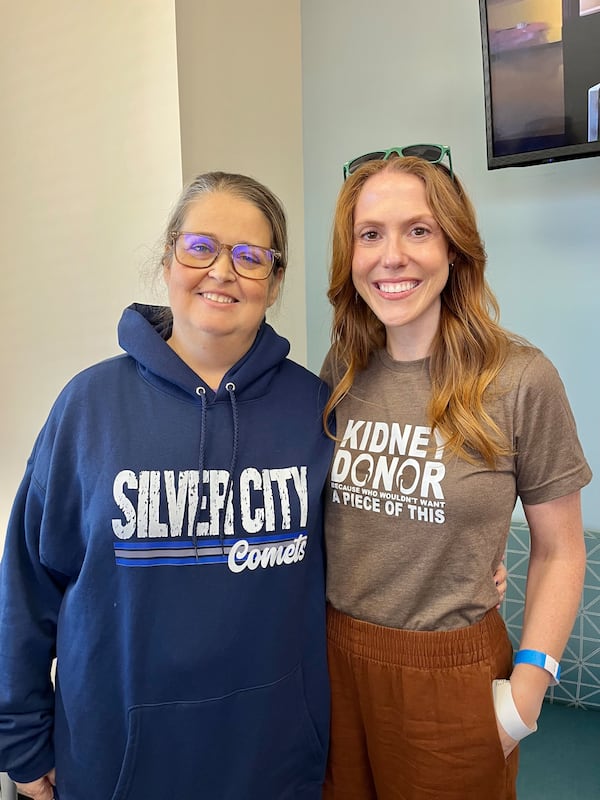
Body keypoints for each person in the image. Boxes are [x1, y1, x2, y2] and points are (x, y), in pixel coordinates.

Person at [0, 172, 335, 800]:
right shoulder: (88, 407)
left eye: (250, 256)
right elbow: (26, 584)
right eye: (200, 246)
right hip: (116, 765)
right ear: (167, 258)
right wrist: (19, 739)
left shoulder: (314, 411)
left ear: (275, 278)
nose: (222, 271)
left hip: (274, 764)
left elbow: (357, 555)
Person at [319, 144, 592, 800]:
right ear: (350, 255)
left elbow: (561, 549)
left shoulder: (520, 379)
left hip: (452, 675)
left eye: (419, 231)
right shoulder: (340, 372)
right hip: (332, 666)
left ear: (455, 248)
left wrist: (528, 690)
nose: (392, 256)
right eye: (370, 235)